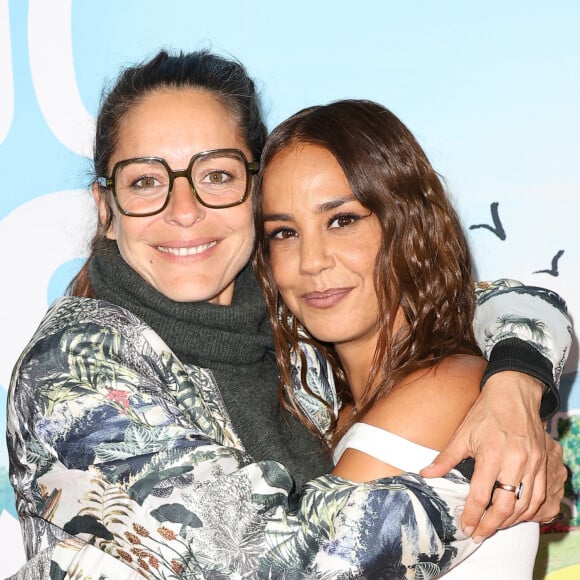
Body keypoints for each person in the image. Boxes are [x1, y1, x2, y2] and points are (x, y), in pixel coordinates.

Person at [7, 50, 569, 578]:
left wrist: (515, 382)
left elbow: (492, 300)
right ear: (106, 209)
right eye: (146, 181)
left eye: (216, 175)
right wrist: (497, 481)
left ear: (254, 194)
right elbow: (274, 563)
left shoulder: (293, 329)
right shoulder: (71, 370)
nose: (184, 211)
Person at [253, 98, 566, 577]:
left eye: (342, 220)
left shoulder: (446, 387)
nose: (311, 260)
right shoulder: (341, 408)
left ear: (408, 225)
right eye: (284, 232)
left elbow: (301, 566)